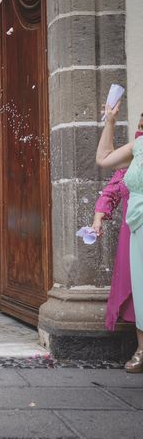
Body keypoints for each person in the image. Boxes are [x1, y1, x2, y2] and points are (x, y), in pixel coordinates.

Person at [96, 103, 143, 373]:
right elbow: (104, 159)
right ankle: (142, 348)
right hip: (138, 227)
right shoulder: (137, 148)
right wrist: (110, 121)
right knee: (141, 286)